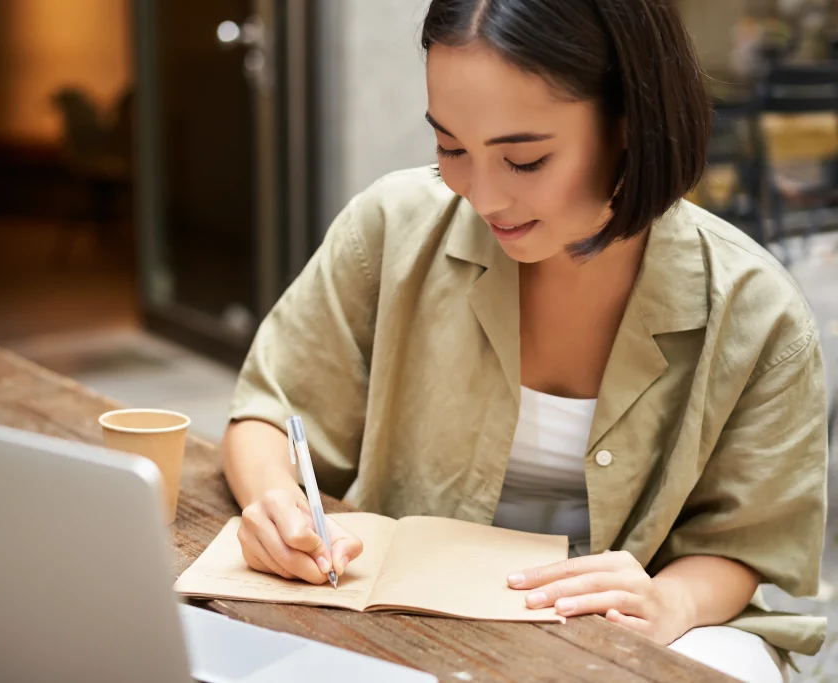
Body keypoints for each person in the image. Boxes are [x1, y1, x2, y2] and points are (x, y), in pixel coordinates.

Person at [220, 1, 829, 681]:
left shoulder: (755, 313)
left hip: (643, 621)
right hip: (407, 610)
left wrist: (670, 599)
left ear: (630, 123)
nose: (482, 195)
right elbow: (270, 413)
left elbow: (745, 540)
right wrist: (273, 501)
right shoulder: (392, 230)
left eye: (525, 159)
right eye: (450, 147)